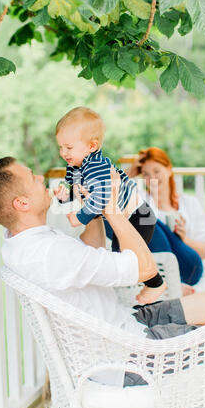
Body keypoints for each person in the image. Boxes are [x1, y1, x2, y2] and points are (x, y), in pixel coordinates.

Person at [0, 156, 205, 408]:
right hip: (125, 356)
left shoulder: (21, 243)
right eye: (31, 177)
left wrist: (90, 208)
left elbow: (92, 250)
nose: (40, 177)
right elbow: (145, 268)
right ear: (21, 203)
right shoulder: (50, 254)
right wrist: (111, 209)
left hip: (121, 325)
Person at [54, 106, 162, 299]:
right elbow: (78, 191)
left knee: (129, 258)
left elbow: (102, 197)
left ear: (92, 146)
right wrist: (64, 196)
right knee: (120, 257)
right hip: (124, 217)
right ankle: (128, 291)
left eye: (69, 147)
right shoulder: (75, 166)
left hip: (138, 215)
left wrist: (80, 217)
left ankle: (156, 284)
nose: (64, 152)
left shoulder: (96, 166)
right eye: (61, 147)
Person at [123, 147, 205, 295]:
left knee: (149, 219)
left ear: (169, 170)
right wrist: (131, 172)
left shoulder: (190, 204)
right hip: (155, 269)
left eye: (157, 171)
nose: (152, 178)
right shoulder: (139, 198)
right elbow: (109, 195)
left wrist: (184, 238)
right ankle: (168, 283)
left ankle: (171, 283)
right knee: (142, 215)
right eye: (145, 174)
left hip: (189, 268)